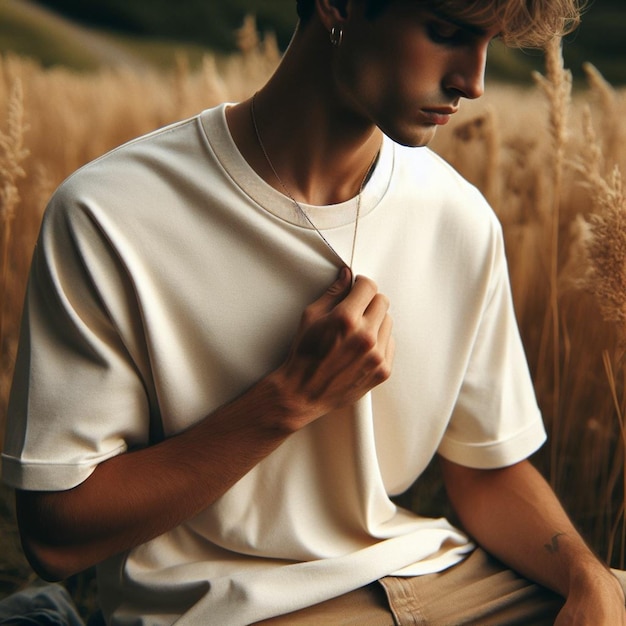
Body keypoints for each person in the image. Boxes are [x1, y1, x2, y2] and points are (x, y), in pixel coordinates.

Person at [3, 0, 625, 624]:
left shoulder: (459, 218)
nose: (474, 81)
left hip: (437, 579)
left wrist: (588, 578)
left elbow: (488, 474)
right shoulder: (110, 214)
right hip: (236, 606)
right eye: (445, 34)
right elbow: (58, 533)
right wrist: (289, 399)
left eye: (488, 43)